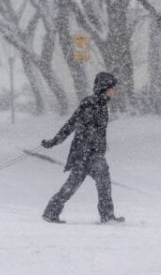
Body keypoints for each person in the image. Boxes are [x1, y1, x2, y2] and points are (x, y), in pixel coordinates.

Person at [40, 71, 124, 224]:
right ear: (104, 88)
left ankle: (51, 212)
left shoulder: (103, 105)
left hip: (91, 153)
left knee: (77, 184)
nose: (114, 91)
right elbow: (72, 123)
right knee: (94, 181)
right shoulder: (90, 103)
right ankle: (106, 215)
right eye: (112, 87)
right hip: (85, 153)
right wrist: (55, 141)